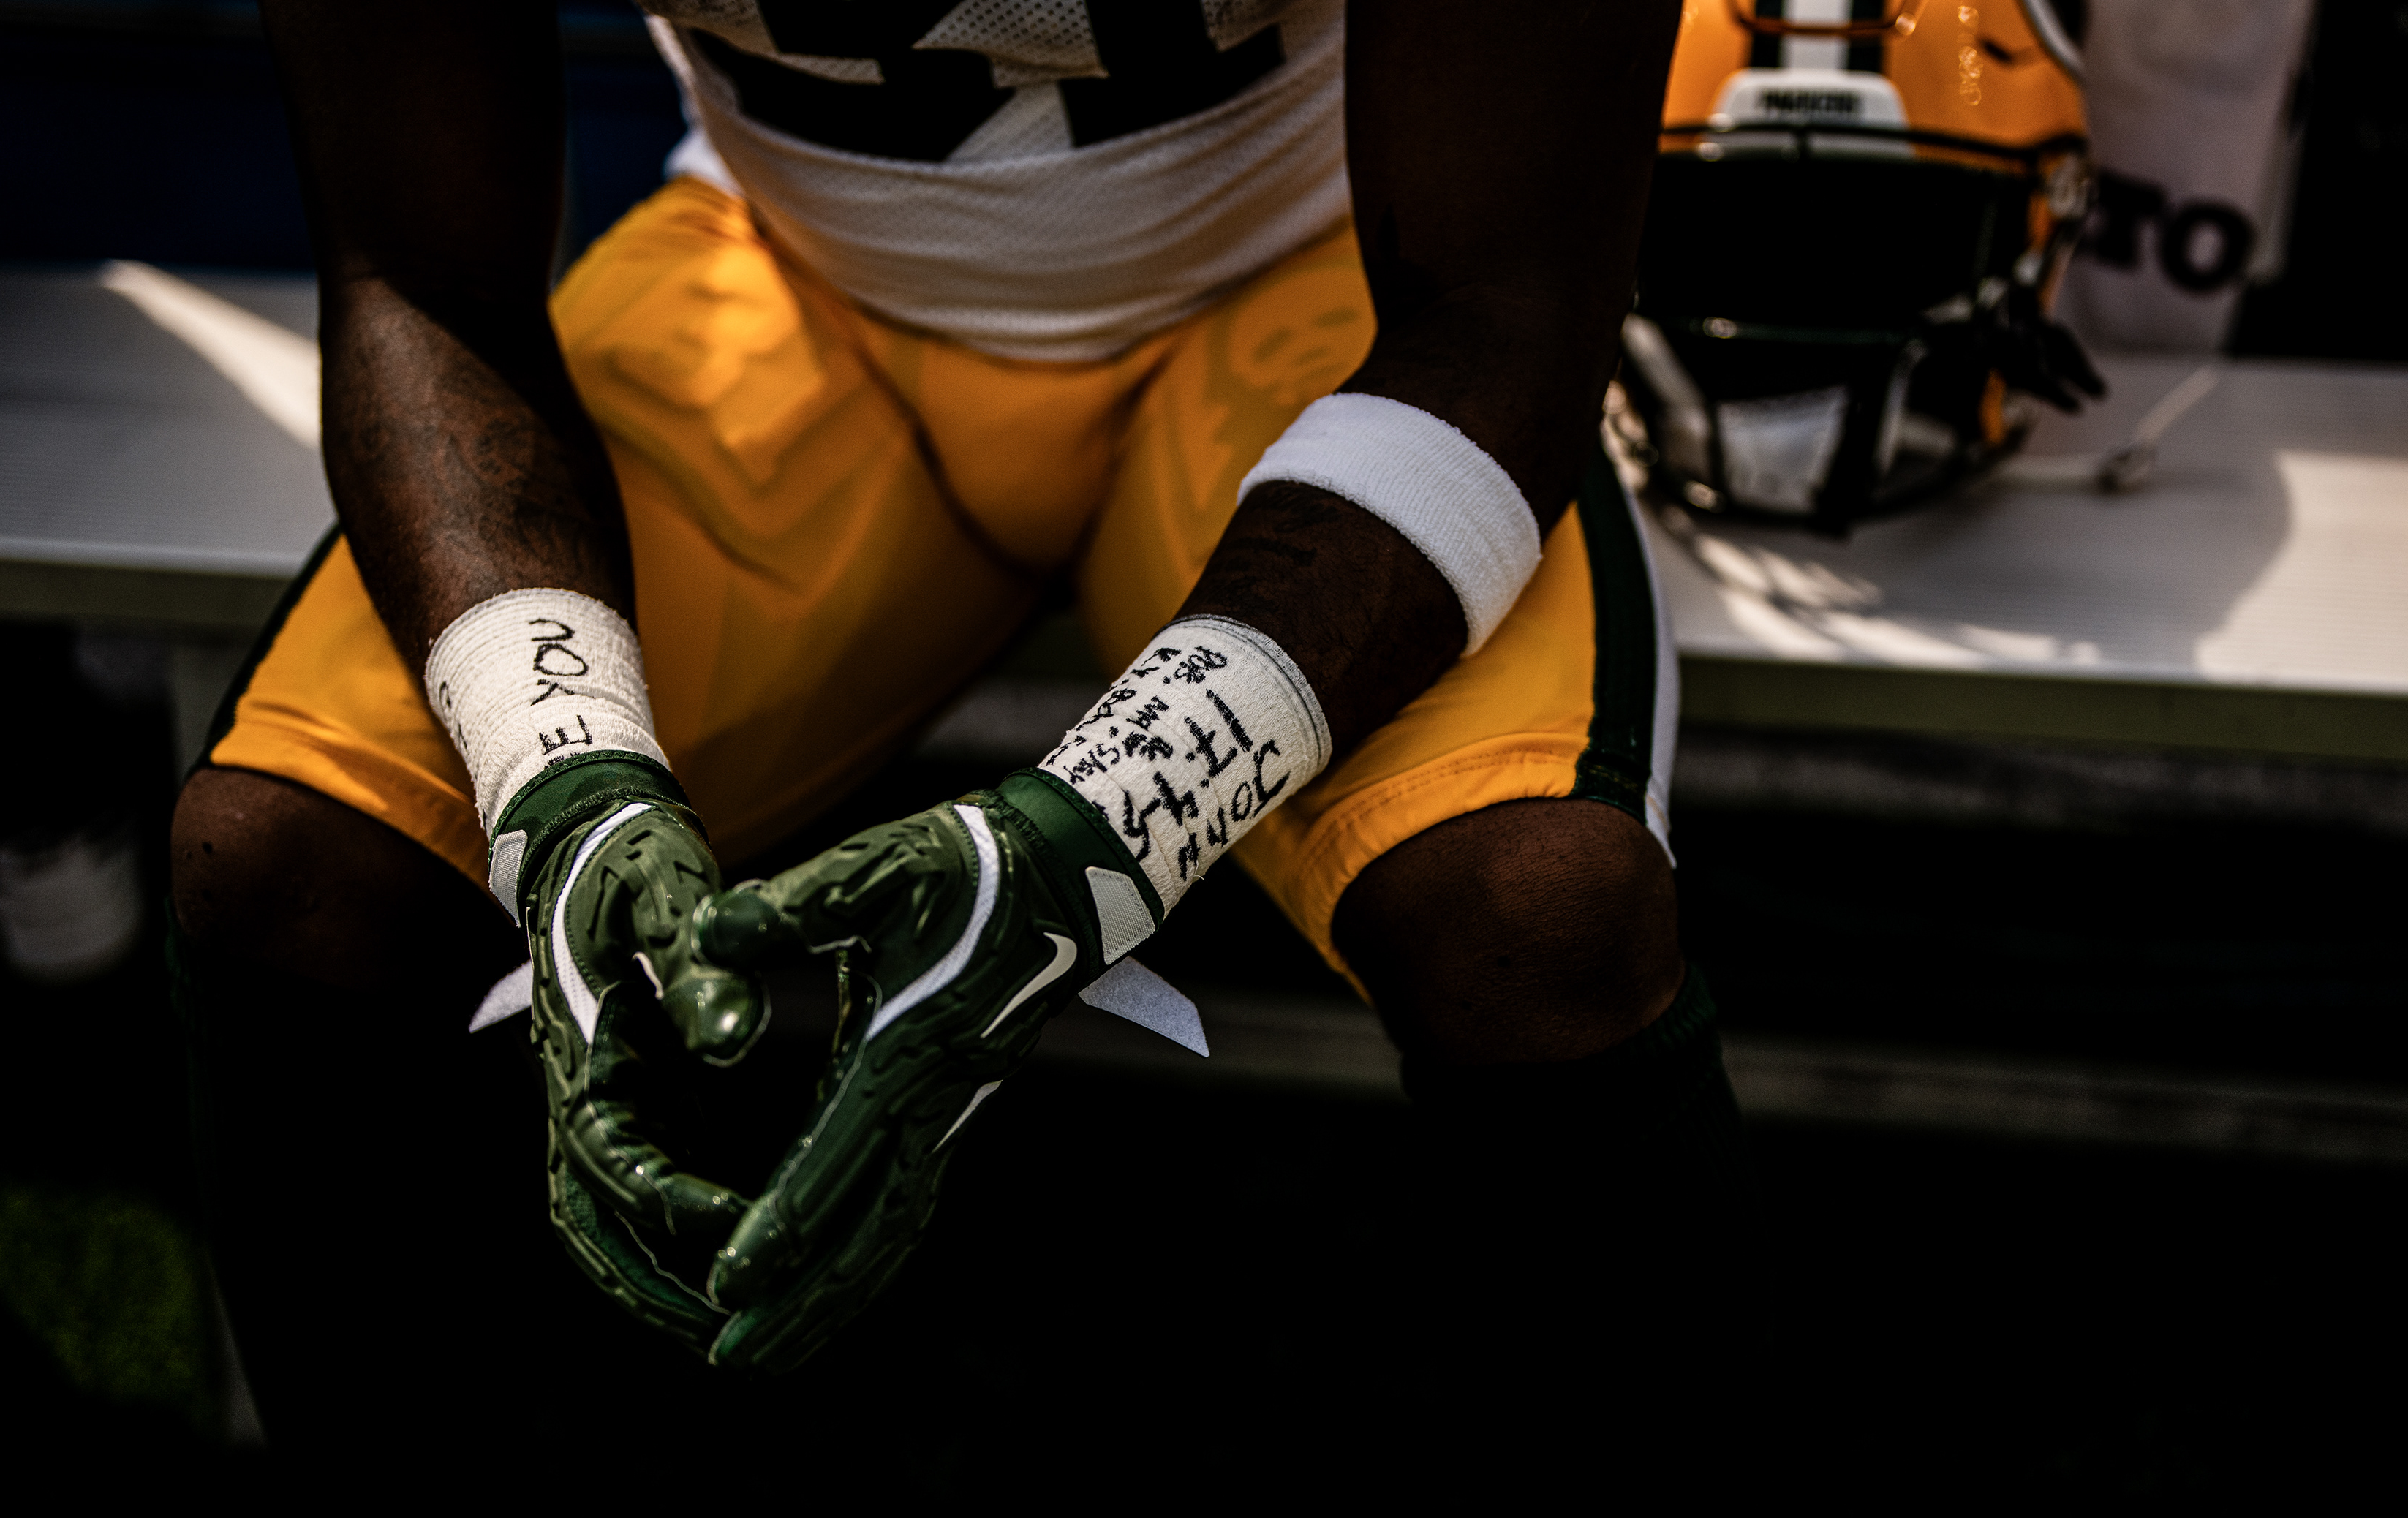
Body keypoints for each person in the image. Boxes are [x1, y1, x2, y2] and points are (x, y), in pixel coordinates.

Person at [172, 0, 1751, 1451]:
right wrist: (559, 785)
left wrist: (1104, 834)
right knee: (292, 859)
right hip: (799, 278)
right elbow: (423, 278)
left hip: (1312, 274)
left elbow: (1505, 303)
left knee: (1531, 908)